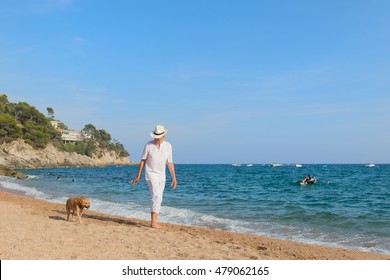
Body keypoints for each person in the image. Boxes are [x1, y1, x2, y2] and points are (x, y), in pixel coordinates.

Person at [130, 125, 177, 228]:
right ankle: (153, 222)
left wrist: (174, 178)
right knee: (156, 196)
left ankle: (155, 220)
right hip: (150, 174)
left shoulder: (168, 146)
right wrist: (138, 175)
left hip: (162, 176)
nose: (156, 138)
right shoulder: (148, 145)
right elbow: (143, 160)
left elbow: (170, 163)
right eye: (155, 136)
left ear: (163, 136)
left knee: (159, 198)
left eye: (158, 136)